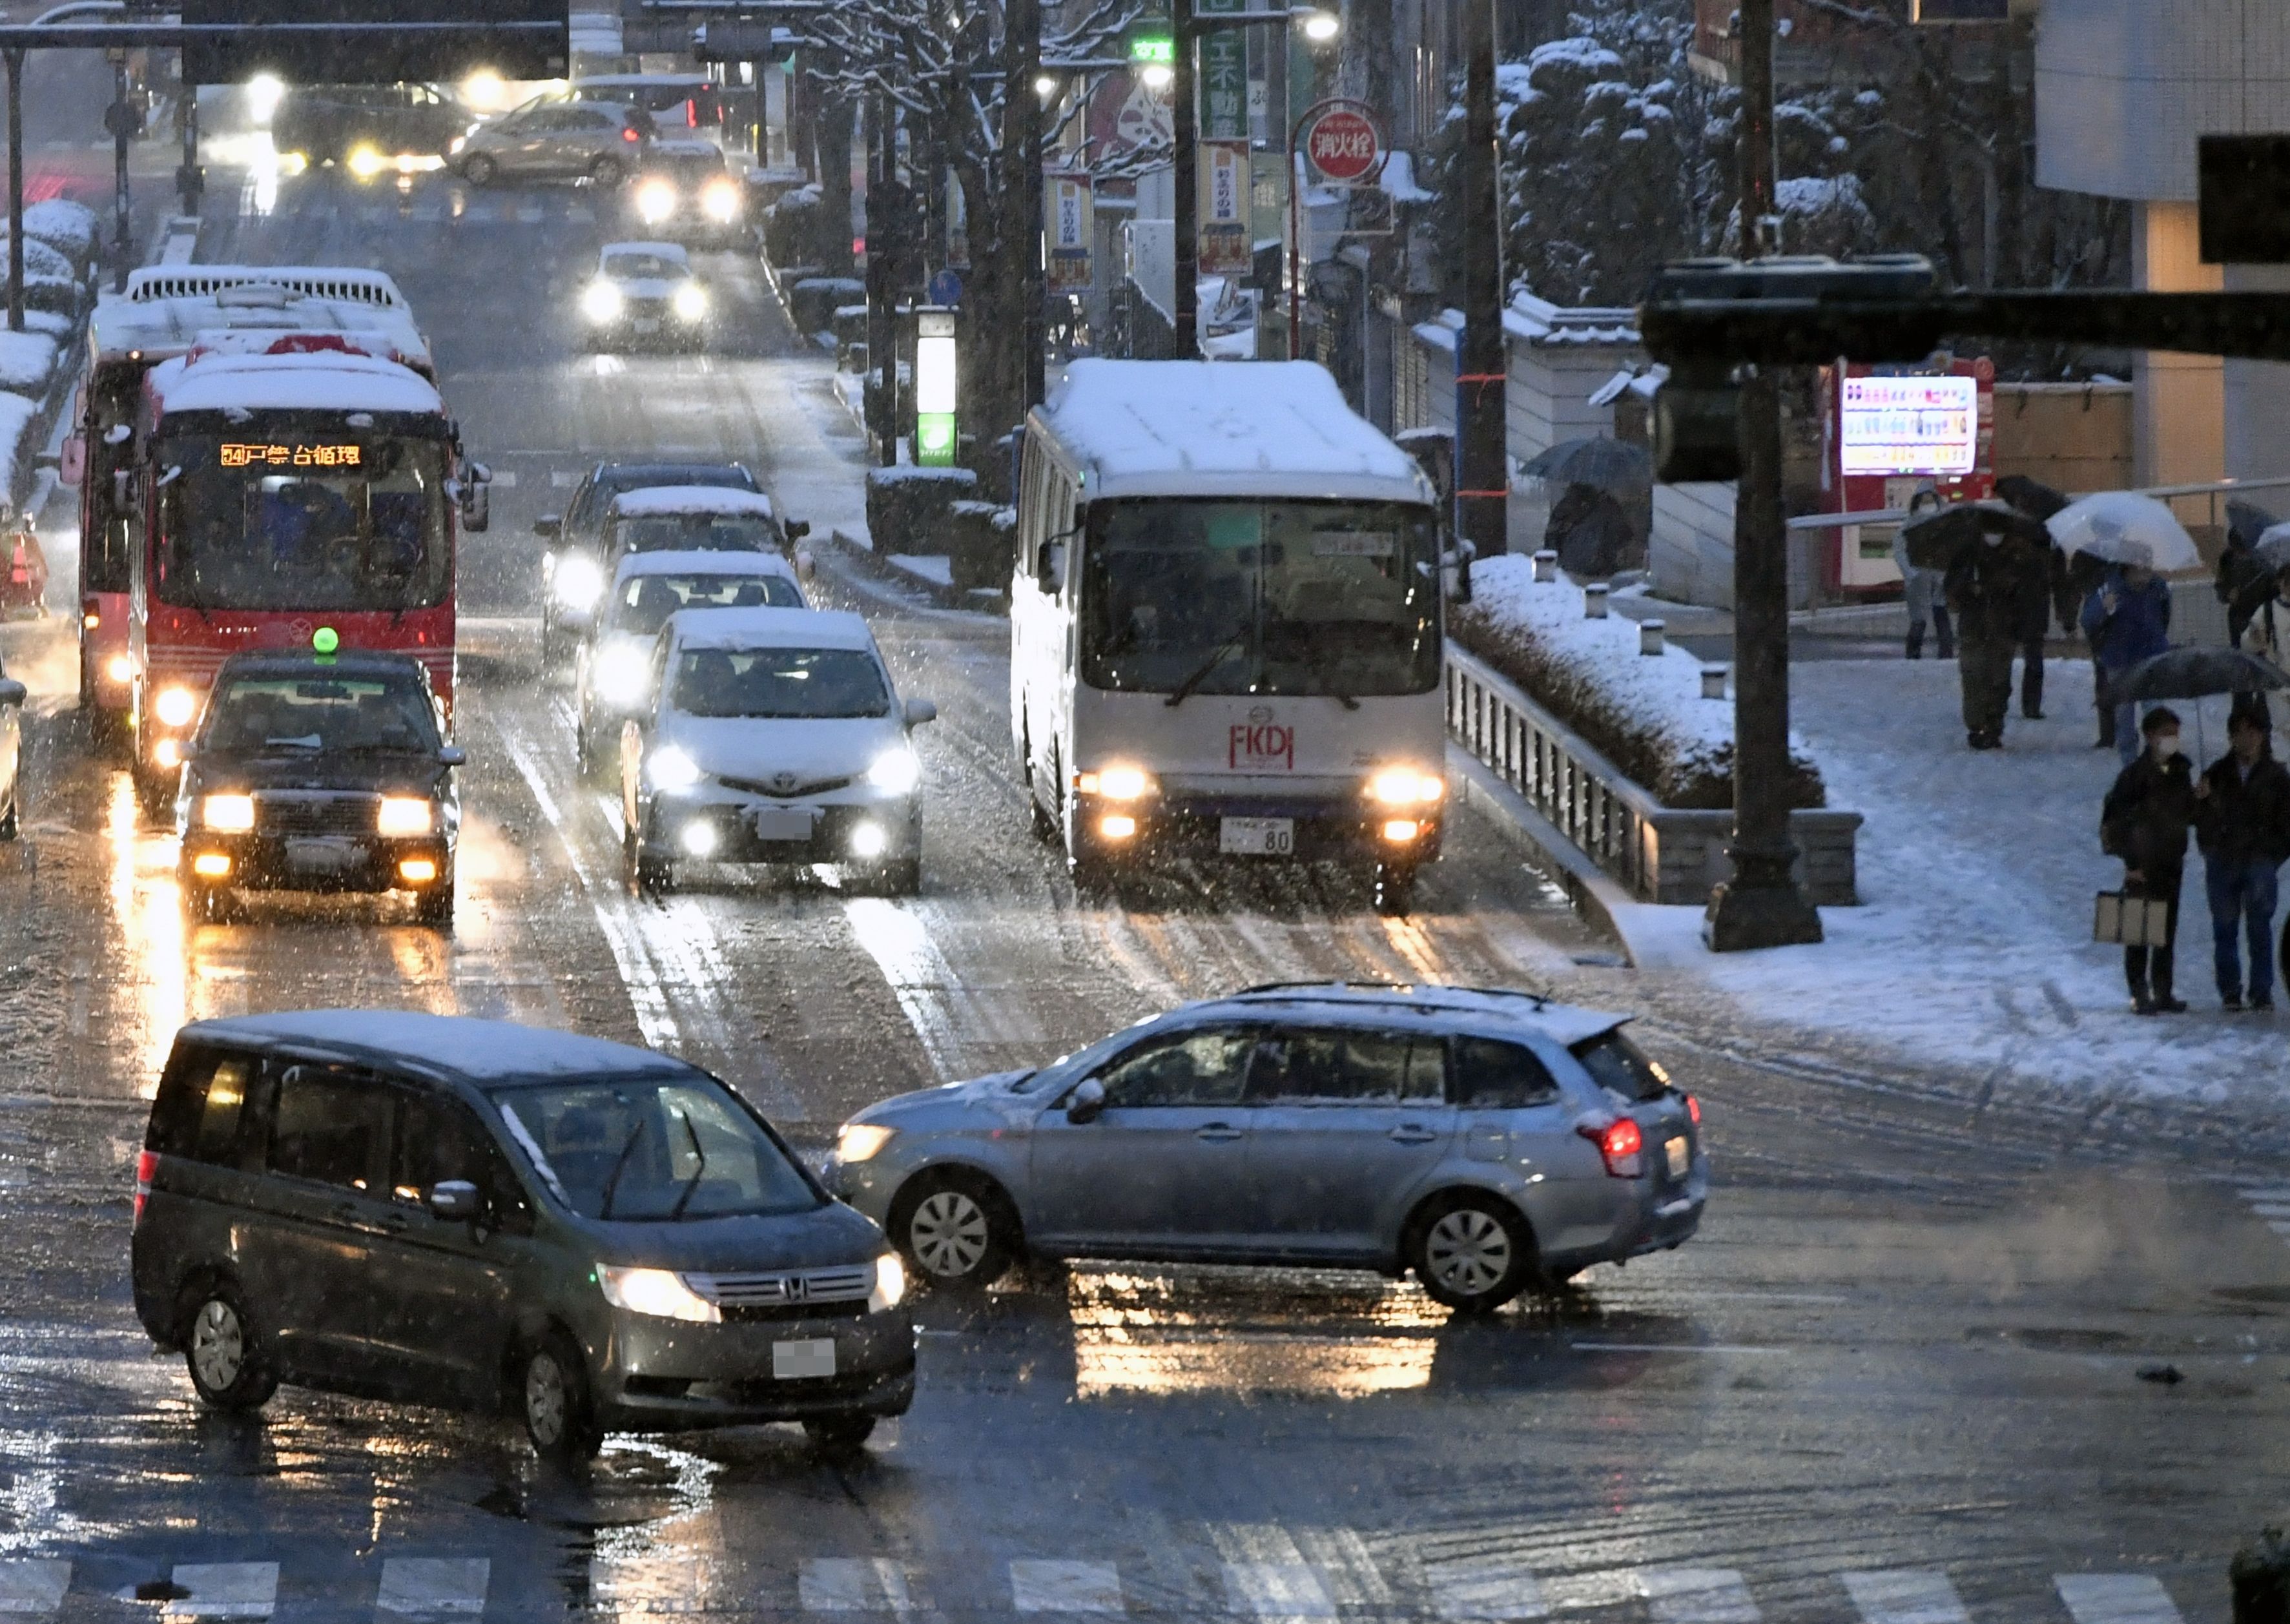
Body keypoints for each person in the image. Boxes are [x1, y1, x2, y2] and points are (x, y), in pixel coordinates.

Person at [2193, 698, 2290, 1011]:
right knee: (2225, 929)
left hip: (2260, 861)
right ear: (2231, 737)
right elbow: (2200, 819)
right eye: (2239, 733)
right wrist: (2203, 802)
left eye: (2252, 733)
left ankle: (2261, 991)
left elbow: (2286, 823)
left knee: (2260, 928)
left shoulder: (2277, 777)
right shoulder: (2217, 774)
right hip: (2223, 860)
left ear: (2262, 736)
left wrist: (2272, 855)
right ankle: (2230, 990)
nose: (2246, 740)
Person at [2101, 706, 2198, 1014]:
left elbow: (2188, 813)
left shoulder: (2180, 771)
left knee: (2166, 930)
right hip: (2142, 861)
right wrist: (2130, 863)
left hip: (2171, 858)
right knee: (2139, 929)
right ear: (2150, 736)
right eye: (2166, 734)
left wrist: (2200, 799)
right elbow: (2115, 821)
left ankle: (2163, 989)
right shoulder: (2134, 776)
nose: (2172, 740)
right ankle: (2139, 990)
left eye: (2175, 734)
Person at [1944, 531, 2045, 749]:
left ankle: (1993, 725)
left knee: (1999, 680)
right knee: (1974, 678)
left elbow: (2027, 593)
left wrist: (2005, 589)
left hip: (2003, 628)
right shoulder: (1967, 555)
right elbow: (1952, 590)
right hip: (1974, 628)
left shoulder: (2017, 556)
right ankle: (1978, 725)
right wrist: (1968, 588)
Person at [2079, 556, 2172, 765]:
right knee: (2124, 719)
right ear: (2128, 567)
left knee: (2158, 715)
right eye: (2141, 567)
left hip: (2152, 658)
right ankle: (2129, 766)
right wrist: (2104, 607)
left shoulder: (2159, 588)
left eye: (2148, 566)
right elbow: (2087, 620)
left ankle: (2163, 765)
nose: (2146, 572)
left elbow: (2164, 617)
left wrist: (2158, 641)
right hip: (2120, 660)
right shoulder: (2111, 588)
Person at [1892, 489, 1954, 661]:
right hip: (1931, 575)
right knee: (1937, 614)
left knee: (1924, 617)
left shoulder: (1912, 524)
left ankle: (1916, 653)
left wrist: (1911, 573)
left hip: (1927, 575)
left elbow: (1899, 551)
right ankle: (1944, 652)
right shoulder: (1942, 525)